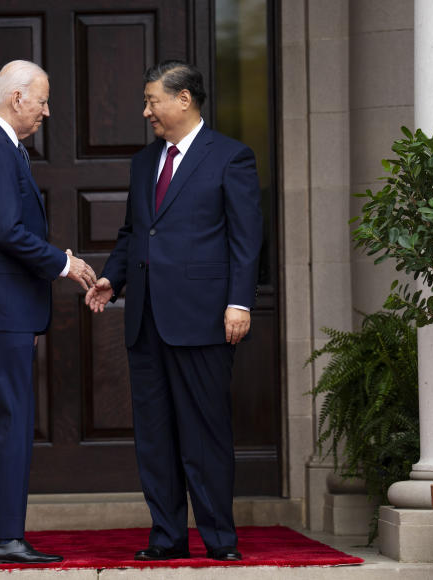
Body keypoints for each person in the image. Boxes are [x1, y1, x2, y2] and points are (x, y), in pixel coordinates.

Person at [85, 60, 263, 562]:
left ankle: (219, 541)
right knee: (155, 436)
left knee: (204, 434)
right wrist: (110, 279)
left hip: (205, 318)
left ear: (183, 99)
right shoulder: (144, 163)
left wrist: (239, 301)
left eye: (151, 101)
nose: (146, 112)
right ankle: (166, 537)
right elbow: (132, 233)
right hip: (145, 320)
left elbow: (246, 240)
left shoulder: (231, 157)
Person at [0, 59, 96, 564]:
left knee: (2, 421)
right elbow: (6, 231)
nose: (47, 111)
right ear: (17, 99)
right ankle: (4, 537)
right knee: (10, 422)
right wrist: (65, 263)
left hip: (4, 305)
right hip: (1, 305)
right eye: (43, 100)